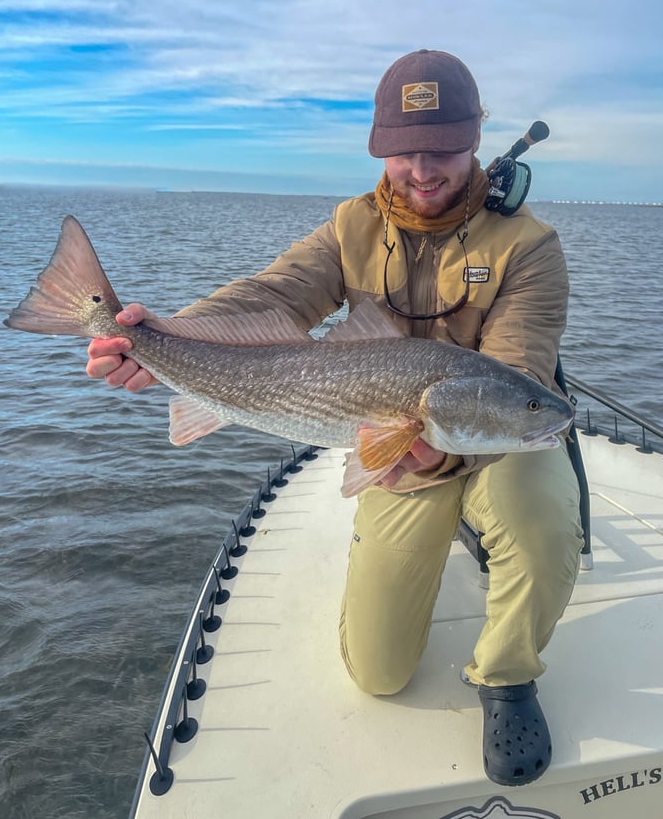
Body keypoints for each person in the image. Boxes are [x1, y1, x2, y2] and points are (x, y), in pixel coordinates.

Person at [86, 49, 584, 787]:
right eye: (403, 152)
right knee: (378, 674)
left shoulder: (528, 247)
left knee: (541, 515)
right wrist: (161, 333)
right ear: (380, 149)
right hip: (396, 443)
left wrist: (445, 449)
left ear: (476, 138)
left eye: (443, 148)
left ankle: (508, 674)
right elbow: (276, 297)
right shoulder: (351, 225)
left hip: (491, 434)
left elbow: (521, 372)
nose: (423, 170)